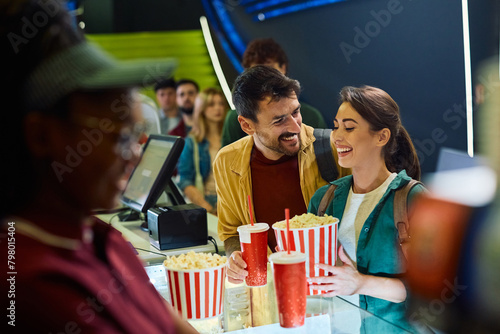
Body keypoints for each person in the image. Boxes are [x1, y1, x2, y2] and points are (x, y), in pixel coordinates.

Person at [0, 1, 197, 333]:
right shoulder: (29, 284)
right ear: (41, 135)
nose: (134, 156)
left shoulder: (103, 238)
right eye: (120, 136)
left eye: (137, 137)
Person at [214, 65, 350, 284]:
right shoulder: (227, 162)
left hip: (330, 289)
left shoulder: (335, 149)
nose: (295, 127)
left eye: (295, 112)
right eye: (279, 120)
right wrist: (234, 257)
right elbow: (231, 233)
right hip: (269, 290)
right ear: (247, 125)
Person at [307, 85, 425, 332]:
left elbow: (426, 290)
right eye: (336, 125)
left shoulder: (413, 199)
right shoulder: (323, 200)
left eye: (349, 127)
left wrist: (360, 283)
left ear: (381, 137)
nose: (337, 136)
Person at [221, 37, 327, 148]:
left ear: (283, 68)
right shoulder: (235, 120)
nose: (265, 77)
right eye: (257, 71)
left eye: (269, 68)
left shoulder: (311, 116)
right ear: (247, 125)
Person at [177, 87, 229, 215]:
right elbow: (185, 180)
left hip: (231, 201)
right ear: (201, 108)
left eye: (221, 103)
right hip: (207, 201)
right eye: (211, 104)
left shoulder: (231, 138)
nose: (218, 108)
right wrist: (206, 207)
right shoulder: (191, 143)